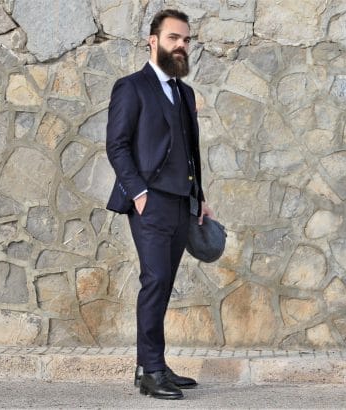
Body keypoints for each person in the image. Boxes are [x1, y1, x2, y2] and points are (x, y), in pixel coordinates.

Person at [105, 9, 214, 400]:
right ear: (153, 41)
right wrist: (139, 193)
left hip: (182, 203)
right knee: (154, 281)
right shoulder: (131, 87)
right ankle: (152, 372)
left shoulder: (185, 93)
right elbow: (117, 145)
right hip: (149, 203)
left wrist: (200, 197)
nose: (181, 45)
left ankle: (151, 364)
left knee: (164, 283)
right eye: (173, 38)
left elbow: (189, 151)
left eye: (186, 39)